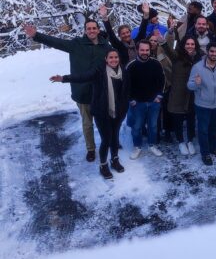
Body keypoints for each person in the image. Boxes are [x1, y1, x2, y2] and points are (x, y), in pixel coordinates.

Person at [24, 19, 111, 162]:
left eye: (94, 28)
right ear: (84, 30)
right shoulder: (76, 44)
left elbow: (114, 61)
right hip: (82, 92)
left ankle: (108, 143)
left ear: (98, 29)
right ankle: (91, 149)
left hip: (101, 92)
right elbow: (56, 42)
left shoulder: (105, 46)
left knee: (104, 122)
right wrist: (36, 35)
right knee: (87, 123)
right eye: (88, 28)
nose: (91, 31)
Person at [50, 49, 129, 179]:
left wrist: (124, 107)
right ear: (106, 59)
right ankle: (103, 165)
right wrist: (64, 78)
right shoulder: (99, 72)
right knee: (106, 140)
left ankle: (114, 160)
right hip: (102, 112)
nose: (114, 60)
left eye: (116, 57)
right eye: (111, 57)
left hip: (118, 112)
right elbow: (82, 77)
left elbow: (126, 91)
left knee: (115, 138)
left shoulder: (123, 72)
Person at [187, 42, 216, 165]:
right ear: (207, 52)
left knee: (214, 129)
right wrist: (196, 83)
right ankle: (205, 153)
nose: (214, 54)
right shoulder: (197, 67)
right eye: (212, 51)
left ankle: (214, 148)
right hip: (202, 105)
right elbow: (189, 86)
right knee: (203, 130)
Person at [159, 30, 202, 156]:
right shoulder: (177, 56)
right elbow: (168, 50)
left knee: (190, 119)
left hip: (193, 93)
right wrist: (163, 41)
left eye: (192, 44)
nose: (190, 46)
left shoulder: (199, 57)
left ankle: (189, 140)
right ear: (183, 45)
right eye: (187, 44)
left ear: (196, 45)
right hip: (178, 92)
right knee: (177, 118)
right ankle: (181, 141)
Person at [125, 40, 166, 159]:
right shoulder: (131, 65)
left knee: (153, 126)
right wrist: (131, 99)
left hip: (154, 102)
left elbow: (162, 80)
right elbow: (126, 85)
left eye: (147, 50)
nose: (144, 52)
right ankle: (137, 146)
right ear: (137, 50)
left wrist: (159, 96)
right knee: (137, 127)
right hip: (137, 103)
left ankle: (152, 145)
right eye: (142, 50)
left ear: (150, 50)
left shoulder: (156, 63)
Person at [99, 2, 150, 66]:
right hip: (127, 73)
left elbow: (142, 30)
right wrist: (104, 18)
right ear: (119, 36)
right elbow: (110, 34)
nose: (126, 35)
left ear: (130, 32)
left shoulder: (137, 42)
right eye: (123, 33)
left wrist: (146, 15)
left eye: (127, 32)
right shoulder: (118, 45)